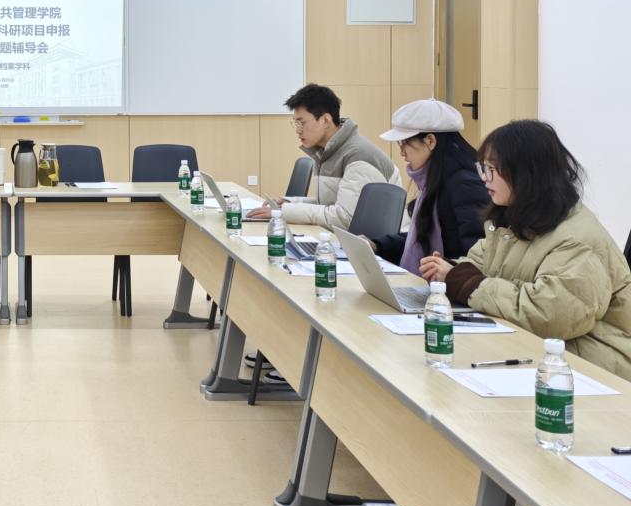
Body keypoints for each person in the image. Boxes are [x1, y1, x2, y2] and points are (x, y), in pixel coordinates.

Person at [422, 120, 631, 380]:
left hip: (594, 368)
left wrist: (467, 283)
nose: (484, 178)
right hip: (543, 352)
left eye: (492, 169)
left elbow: (550, 315)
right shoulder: (513, 221)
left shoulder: (577, 239)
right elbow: (477, 264)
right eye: (483, 168)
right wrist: (450, 272)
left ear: (526, 173)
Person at [248, 83, 403, 230]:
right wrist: (288, 203)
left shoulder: (358, 156)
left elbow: (344, 218)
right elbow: (328, 204)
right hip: (351, 238)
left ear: (325, 120)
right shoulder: (326, 151)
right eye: (295, 124)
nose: (298, 130)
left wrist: (285, 212)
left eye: (302, 123)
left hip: (375, 245)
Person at [368, 98, 489, 273]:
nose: (402, 152)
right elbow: (420, 240)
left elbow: (478, 256)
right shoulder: (434, 179)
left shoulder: (464, 185)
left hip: (447, 286)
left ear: (430, 141)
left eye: (405, 143)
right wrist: (377, 245)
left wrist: (449, 271)